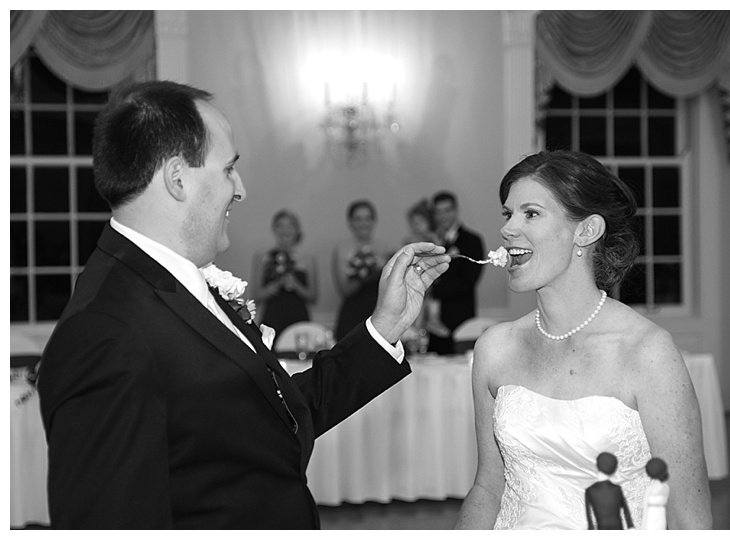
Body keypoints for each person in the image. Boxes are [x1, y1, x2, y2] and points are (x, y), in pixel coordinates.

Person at [36, 80, 450, 529]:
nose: (241, 189)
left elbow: (274, 417)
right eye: (229, 169)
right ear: (177, 178)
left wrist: (385, 326)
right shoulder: (104, 332)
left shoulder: (181, 283)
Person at [454, 150, 711, 530]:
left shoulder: (646, 352)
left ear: (586, 231)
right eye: (508, 214)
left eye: (531, 213)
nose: (508, 229)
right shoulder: (494, 348)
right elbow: (488, 488)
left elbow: (689, 519)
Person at [427, 190, 485, 354]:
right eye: (438, 212)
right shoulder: (431, 242)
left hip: (459, 319)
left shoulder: (472, 241)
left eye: (447, 210)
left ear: (455, 210)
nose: (443, 216)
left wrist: (432, 290)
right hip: (432, 323)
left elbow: (468, 281)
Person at [331, 199, 393, 341]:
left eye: (367, 218)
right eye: (358, 219)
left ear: (373, 221)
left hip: (378, 313)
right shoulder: (342, 250)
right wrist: (364, 272)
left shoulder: (385, 249)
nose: (363, 223)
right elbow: (344, 290)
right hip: (352, 313)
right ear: (350, 223)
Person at [251, 209, 317, 339]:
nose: (285, 230)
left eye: (290, 225)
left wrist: (295, 285)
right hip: (272, 317)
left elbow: (313, 297)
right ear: (274, 229)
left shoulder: (308, 259)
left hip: (298, 317)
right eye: (280, 225)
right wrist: (275, 286)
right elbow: (256, 296)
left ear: (297, 229)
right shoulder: (262, 257)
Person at [402, 199, 449, 340]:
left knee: (432, 300)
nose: (416, 226)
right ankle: (415, 331)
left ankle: (433, 320)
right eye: (413, 223)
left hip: (431, 279)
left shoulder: (433, 239)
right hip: (414, 278)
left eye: (420, 222)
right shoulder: (410, 241)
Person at [585, 452, 634, 530]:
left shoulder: (590, 490)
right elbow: (626, 510)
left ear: (597, 465)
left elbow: (589, 516)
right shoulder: (617, 489)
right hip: (618, 528)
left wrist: (590, 529)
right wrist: (630, 526)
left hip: (602, 528)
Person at [642, 457, 670, 530]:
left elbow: (645, 510)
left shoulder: (650, 489)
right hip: (661, 517)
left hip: (653, 518)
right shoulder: (666, 487)